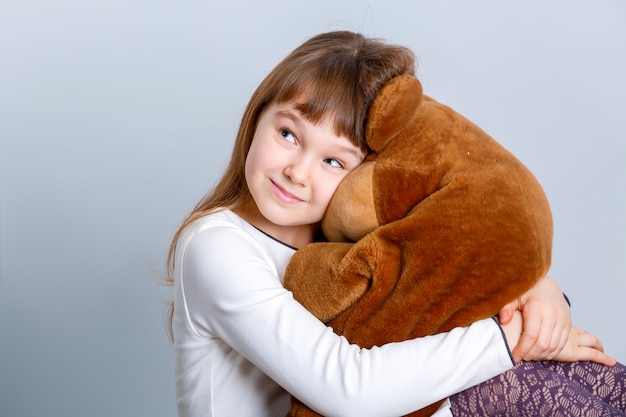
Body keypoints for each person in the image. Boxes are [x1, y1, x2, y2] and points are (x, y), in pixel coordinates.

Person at [164, 30, 619, 417]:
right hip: (354, 400)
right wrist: (515, 339)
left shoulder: (345, 244)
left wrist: (539, 292)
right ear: (256, 118)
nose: (298, 172)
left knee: (581, 382)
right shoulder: (216, 246)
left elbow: (448, 272)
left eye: (333, 161)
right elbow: (347, 390)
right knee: (497, 382)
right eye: (288, 134)